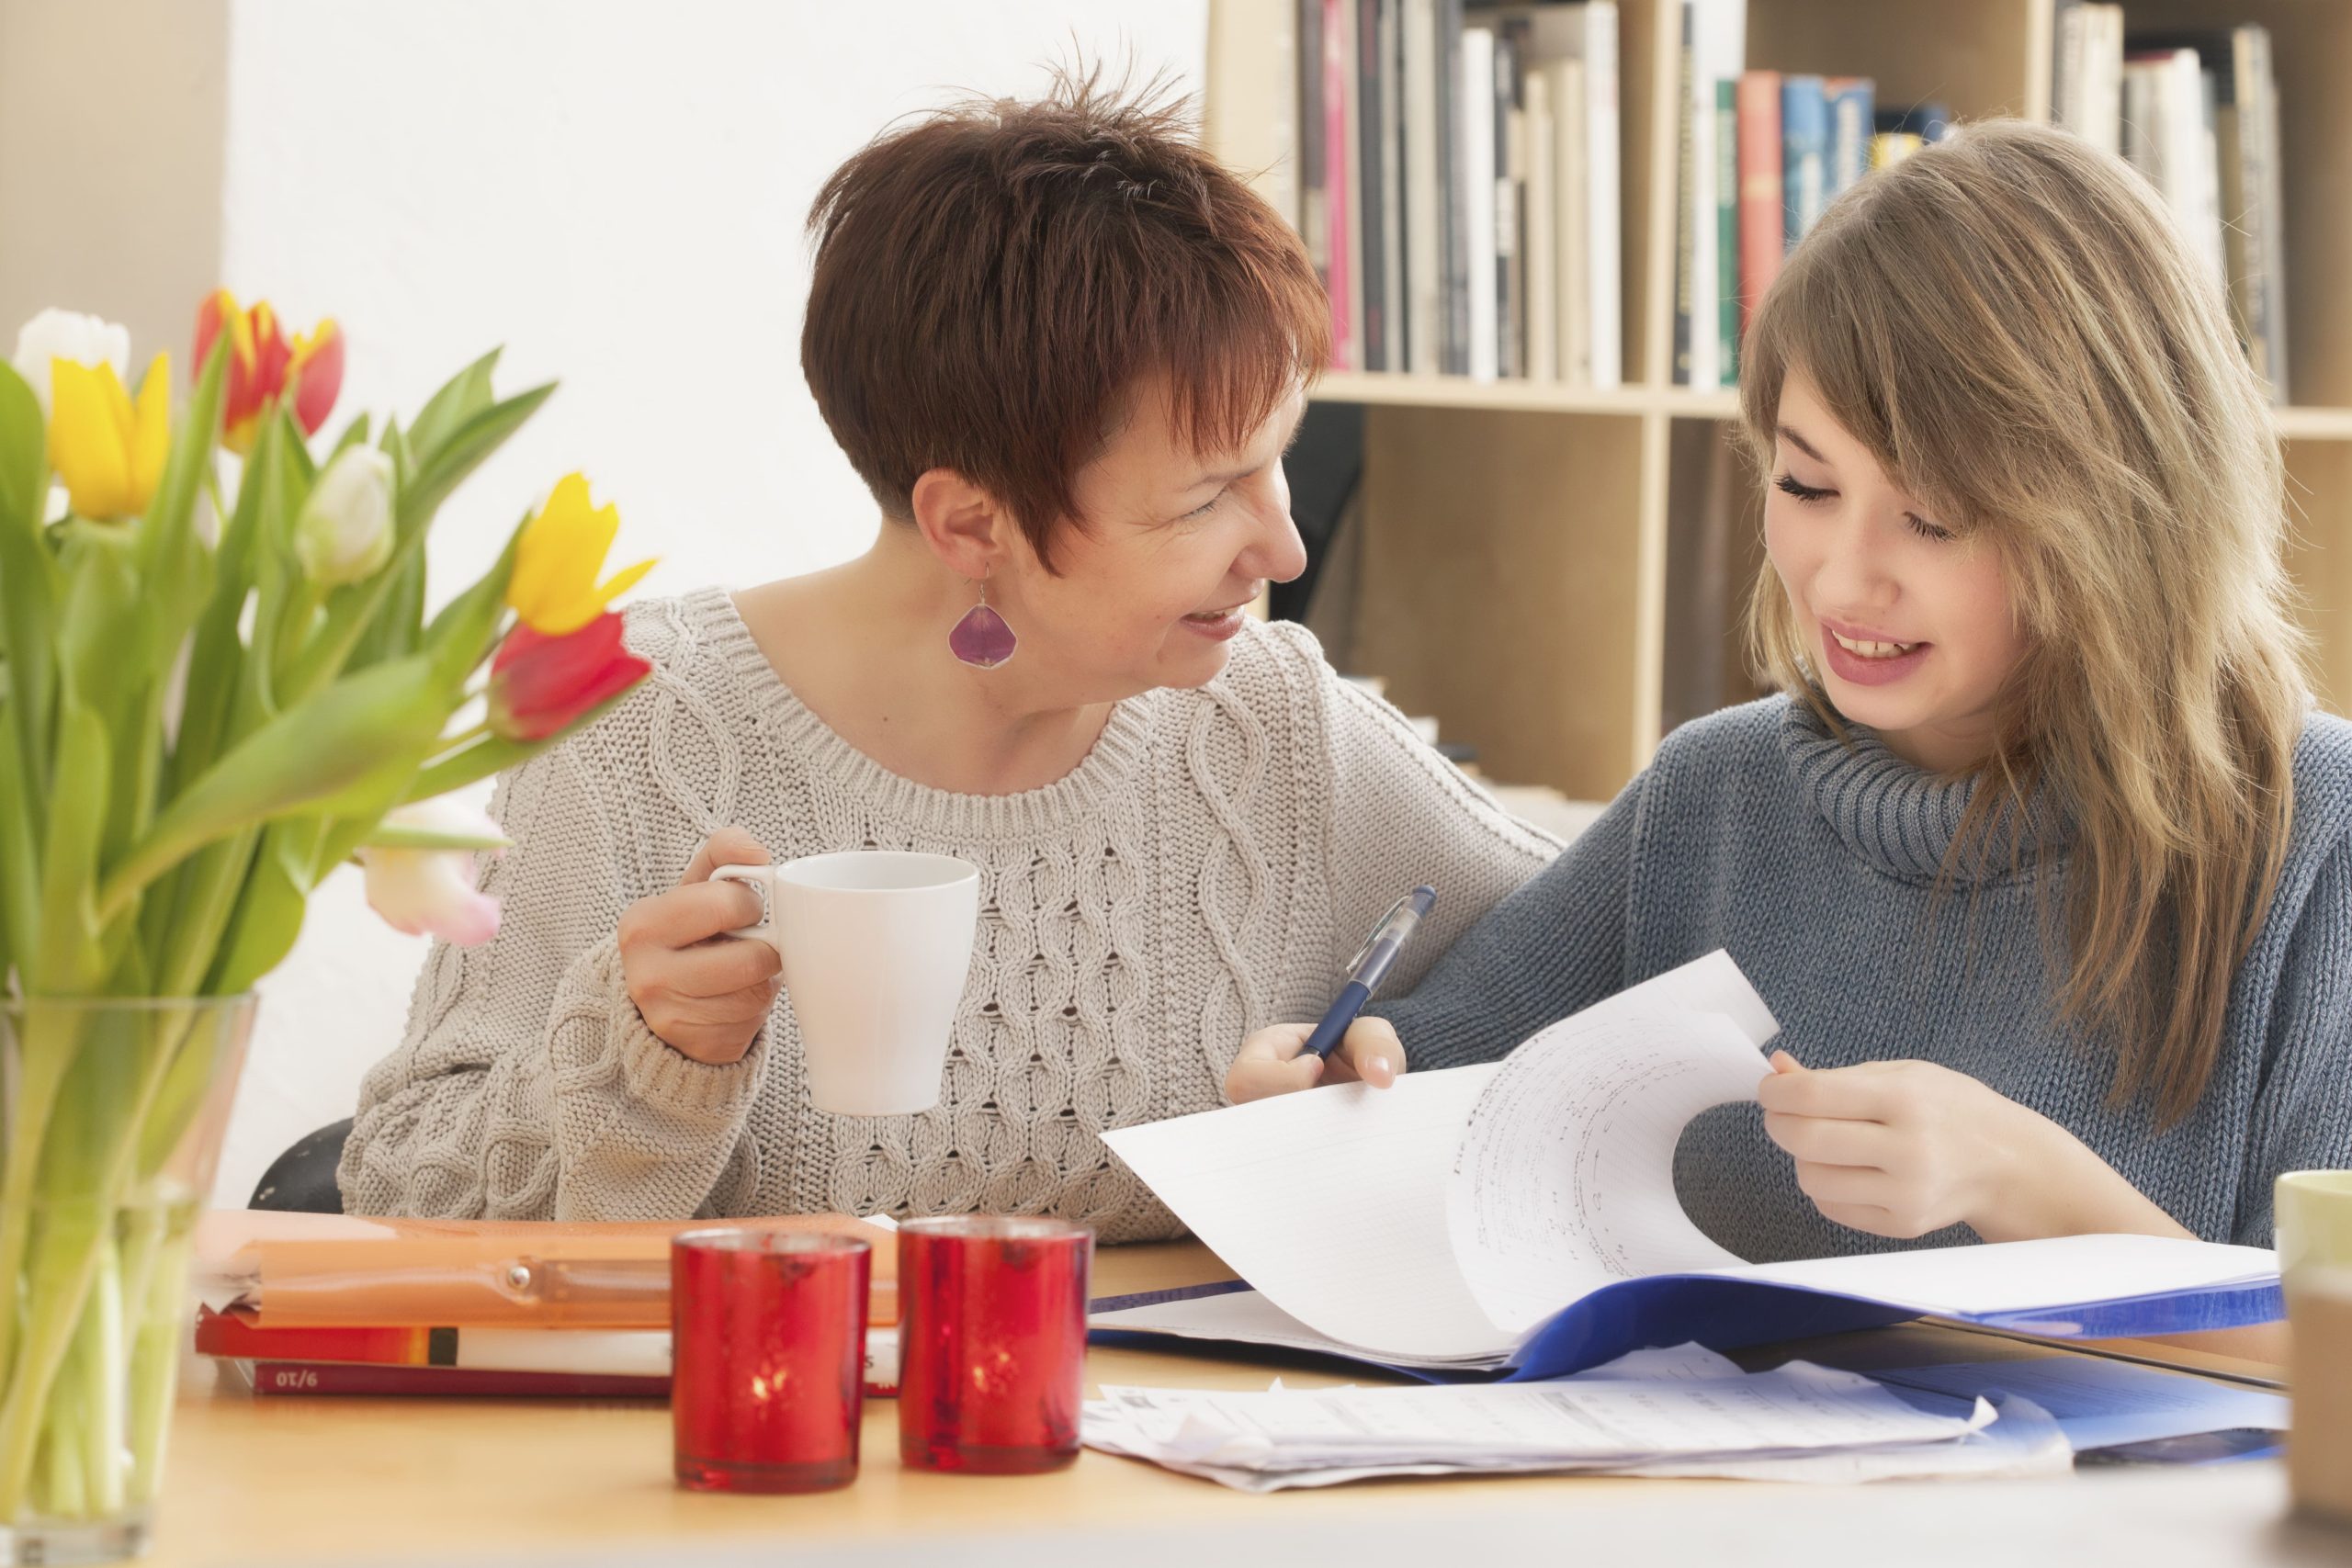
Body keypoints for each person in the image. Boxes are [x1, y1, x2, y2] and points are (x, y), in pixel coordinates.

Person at [337, 72, 1556, 1236]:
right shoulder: (638, 727)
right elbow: (399, 1198)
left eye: (1277, 458)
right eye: (1204, 500)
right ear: (971, 524)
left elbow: (1610, 948)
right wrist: (640, 1058)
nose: (1283, 547)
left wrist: (1389, 1077)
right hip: (731, 1443)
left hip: (1148, 1444)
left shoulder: (1279, 731)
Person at [1229, 119, 2352, 1258]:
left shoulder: (2314, 833)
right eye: (1807, 484)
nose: (1843, 577)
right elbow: (1435, 1082)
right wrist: (1333, 1091)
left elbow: (2325, 1359)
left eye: (1933, 518)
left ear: (2126, 517)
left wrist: (2023, 1180)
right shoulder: (1713, 796)